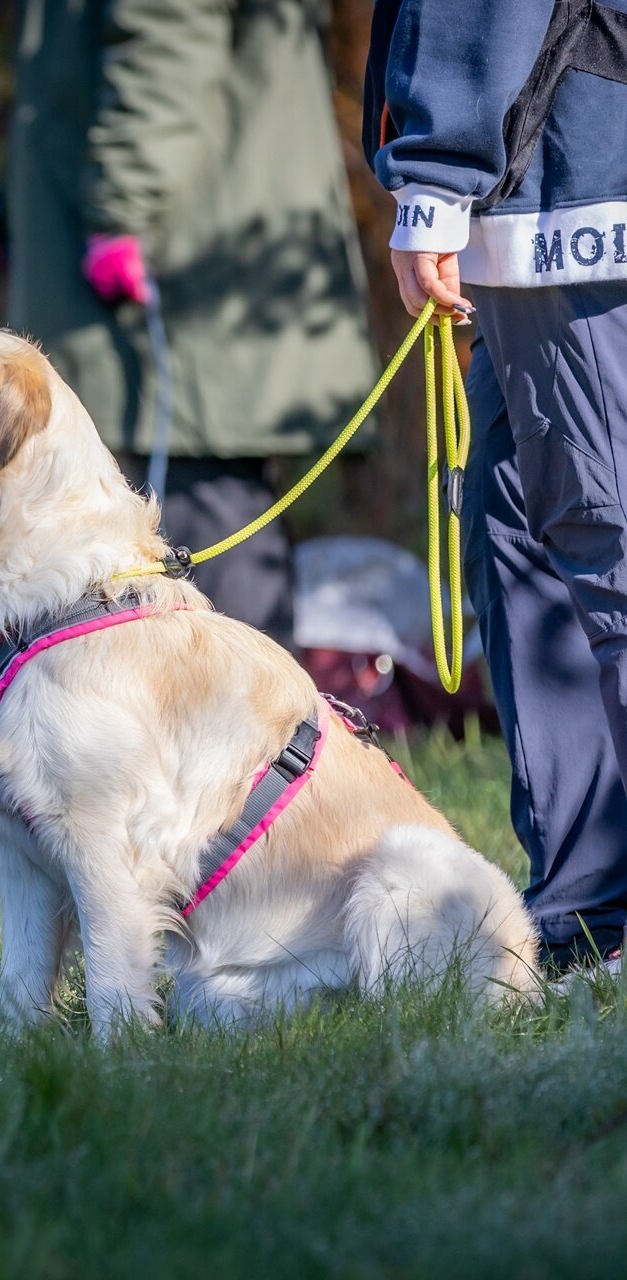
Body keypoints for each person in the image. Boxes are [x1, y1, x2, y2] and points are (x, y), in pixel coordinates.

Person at [365, 0, 627, 974]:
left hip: (578, 175)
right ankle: (582, 914)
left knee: (605, 540)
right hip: (561, 169)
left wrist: (432, 176)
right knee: (513, 521)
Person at [5, 0, 377, 647]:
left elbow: (167, 41)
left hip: (187, 246)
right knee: (200, 492)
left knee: (202, 504)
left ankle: (256, 740)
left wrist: (124, 207)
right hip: (198, 228)